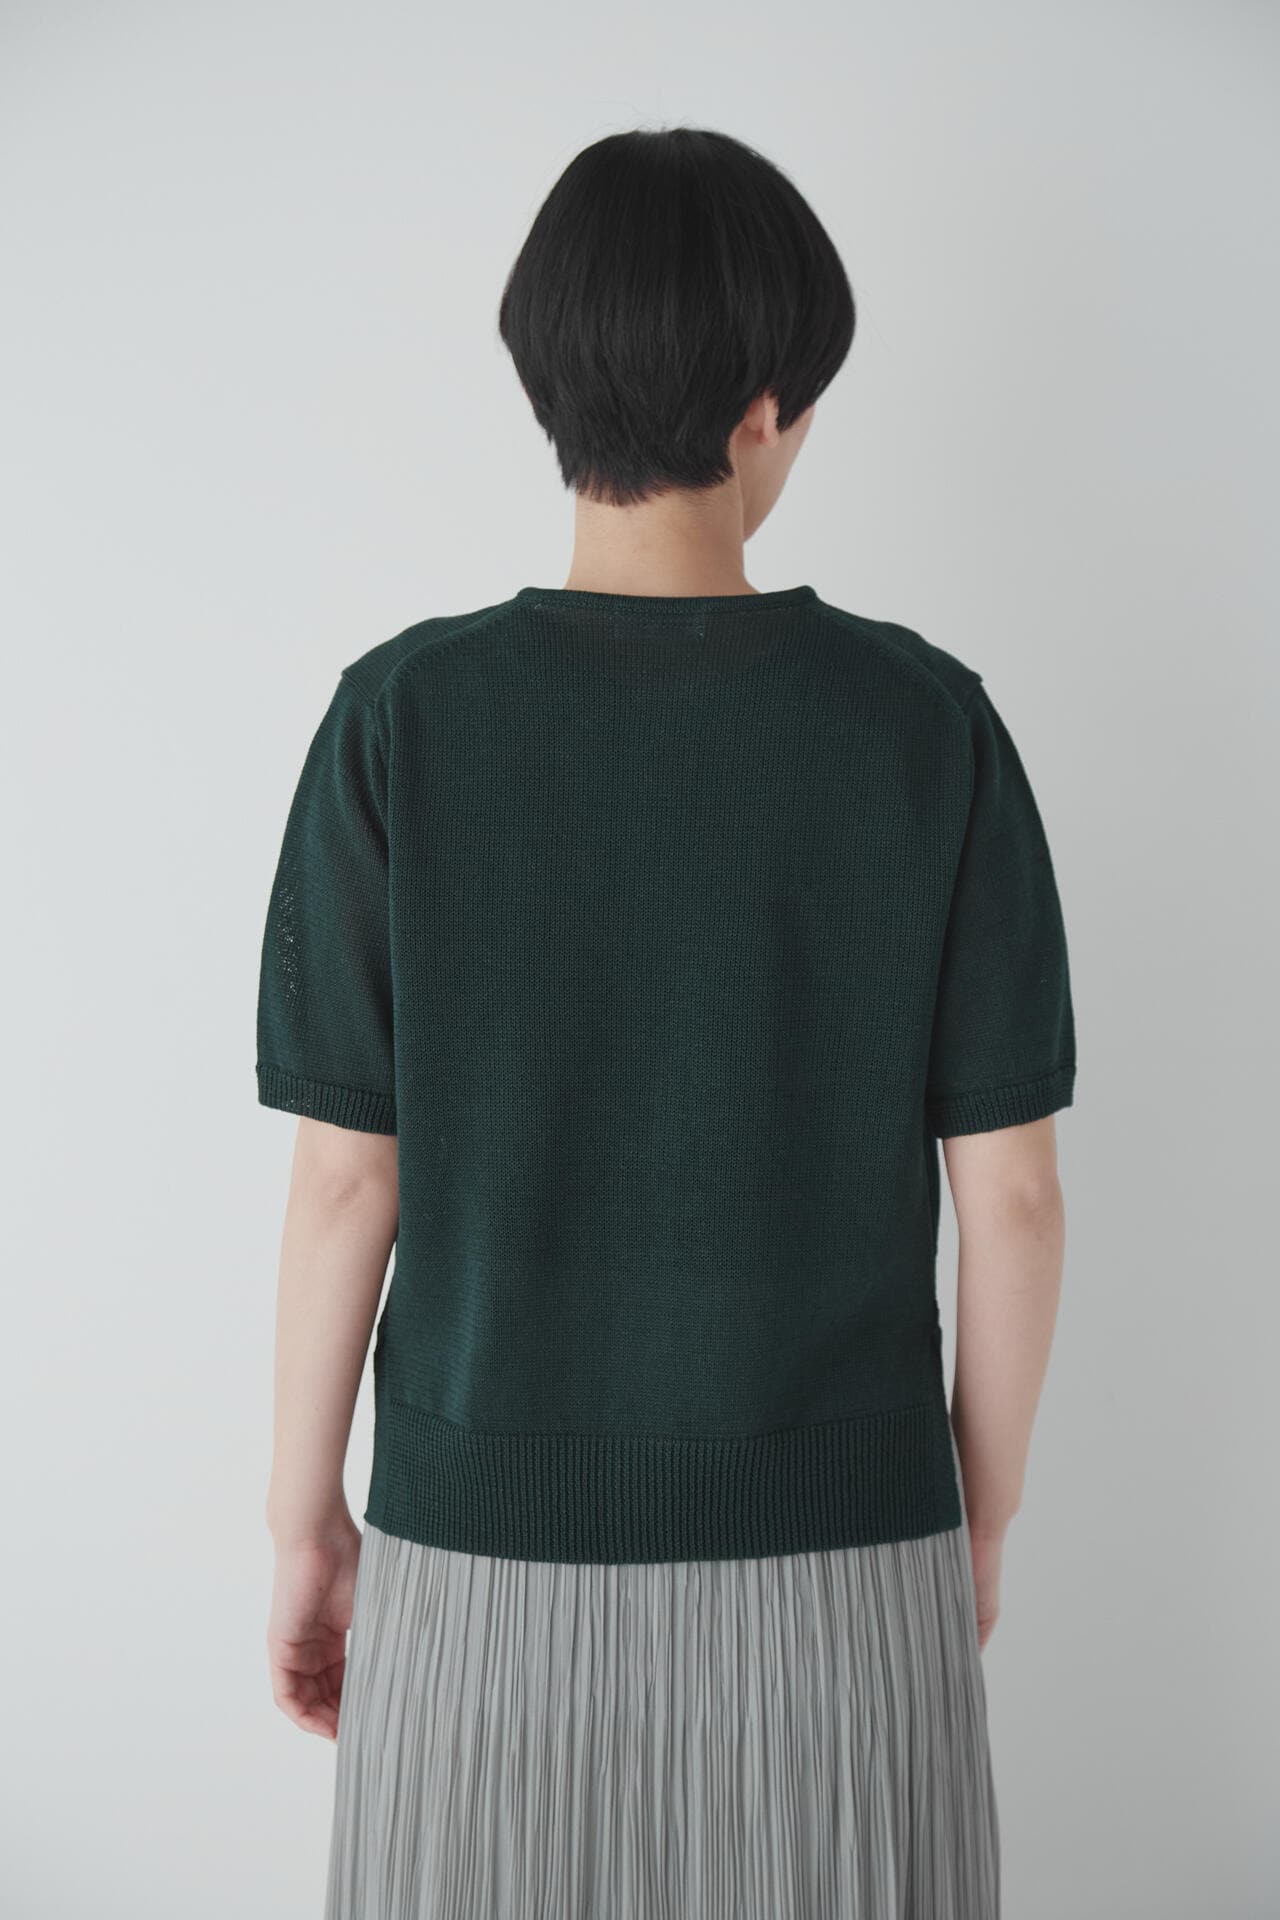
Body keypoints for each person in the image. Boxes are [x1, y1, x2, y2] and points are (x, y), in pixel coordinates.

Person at [257, 125, 1074, 1920]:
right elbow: (1013, 1200)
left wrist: (304, 1524)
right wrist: (980, 1518)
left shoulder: (400, 720)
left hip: (479, 1557)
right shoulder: (925, 725)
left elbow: (345, 1186)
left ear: (547, 382)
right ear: (769, 405)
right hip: (849, 1552)